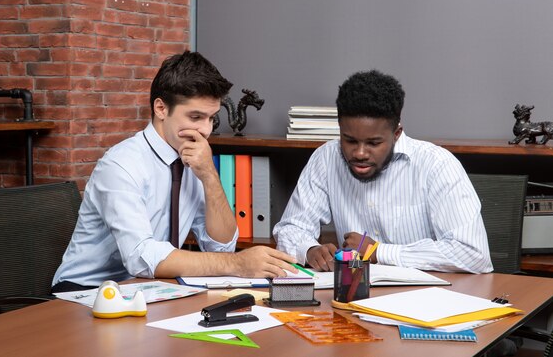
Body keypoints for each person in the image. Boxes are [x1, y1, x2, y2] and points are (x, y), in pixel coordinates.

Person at [52, 51, 296, 292]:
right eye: (195, 117)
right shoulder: (121, 165)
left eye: (211, 118)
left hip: (148, 290)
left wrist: (209, 174)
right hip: (84, 293)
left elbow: (222, 247)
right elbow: (140, 256)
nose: (205, 130)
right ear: (160, 109)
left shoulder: (194, 160)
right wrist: (238, 265)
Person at [273, 70, 493, 274]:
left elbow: (473, 253)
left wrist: (378, 252)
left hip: (430, 301)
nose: (359, 153)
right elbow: (290, 228)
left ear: (396, 134)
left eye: (373, 143)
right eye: (349, 140)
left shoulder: (436, 165)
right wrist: (309, 249)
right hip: (356, 298)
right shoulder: (326, 158)